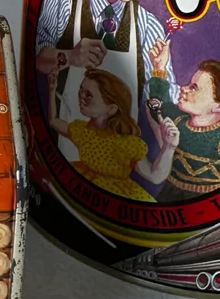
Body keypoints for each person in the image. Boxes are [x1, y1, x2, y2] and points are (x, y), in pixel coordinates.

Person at [36, 0, 176, 161]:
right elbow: (38, 61)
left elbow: (159, 103)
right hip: (62, 152)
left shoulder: (147, 25)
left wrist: (159, 72)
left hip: (117, 163)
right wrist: (70, 56)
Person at [48, 66, 179, 202]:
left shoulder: (126, 144)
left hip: (114, 197)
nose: (80, 96)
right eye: (81, 90)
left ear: (112, 108)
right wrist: (52, 90)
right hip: (81, 187)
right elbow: (53, 122)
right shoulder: (82, 131)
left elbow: (155, 176)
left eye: (88, 94)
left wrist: (169, 146)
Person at [146, 46, 220, 203]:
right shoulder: (178, 120)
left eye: (194, 88)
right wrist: (159, 67)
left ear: (217, 106)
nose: (183, 89)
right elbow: (158, 103)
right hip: (168, 199)